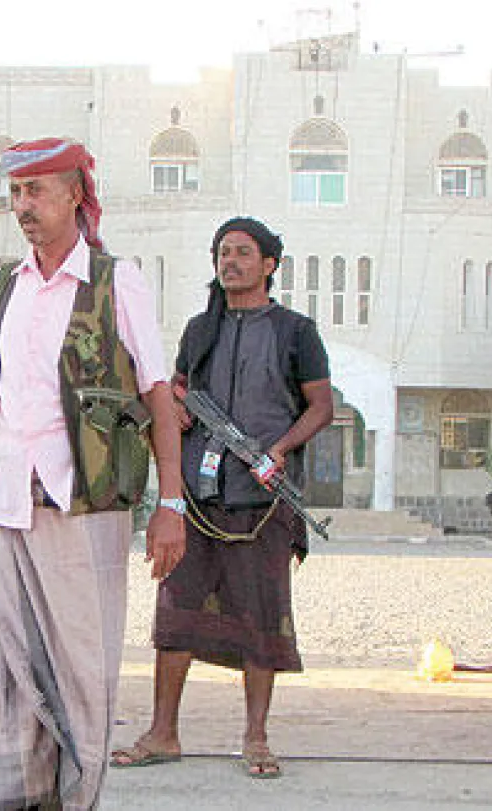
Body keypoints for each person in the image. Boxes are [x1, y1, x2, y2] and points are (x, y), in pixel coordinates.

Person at [0, 138, 187, 810]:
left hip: (86, 511)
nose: (23, 206)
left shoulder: (116, 283)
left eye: (38, 190)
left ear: (76, 195)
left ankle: (78, 802)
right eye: (15, 192)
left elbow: (160, 397)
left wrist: (172, 503)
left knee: (82, 676)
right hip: (8, 509)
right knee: (14, 679)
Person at [112, 217, 333, 779]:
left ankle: (256, 738)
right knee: (176, 615)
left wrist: (279, 450)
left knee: (261, 618)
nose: (230, 261)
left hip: (261, 501)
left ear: (269, 265)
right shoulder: (198, 328)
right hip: (198, 495)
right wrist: (180, 408)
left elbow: (320, 407)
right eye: (222, 252)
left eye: (242, 252)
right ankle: (163, 733)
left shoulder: (295, 331)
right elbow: (179, 390)